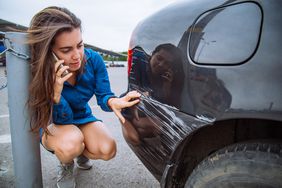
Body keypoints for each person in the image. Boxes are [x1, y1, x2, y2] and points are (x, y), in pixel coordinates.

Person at [27, 6, 141, 188]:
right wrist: (55, 94)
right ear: (49, 52)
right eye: (66, 50)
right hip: (54, 122)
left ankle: (79, 151)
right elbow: (59, 118)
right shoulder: (40, 72)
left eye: (79, 45)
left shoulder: (93, 60)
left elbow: (103, 95)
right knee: (71, 143)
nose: (77, 56)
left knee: (108, 149)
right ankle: (66, 163)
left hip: (81, 117)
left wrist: (113, 101)